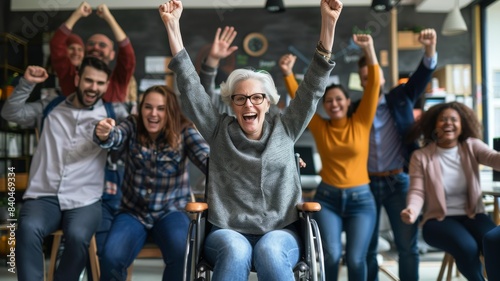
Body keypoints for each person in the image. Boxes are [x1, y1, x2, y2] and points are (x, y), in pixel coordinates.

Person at [159, 0, 342, 280]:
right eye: (240, 98)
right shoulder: (219, 131)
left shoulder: (287, 127)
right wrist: (173, 26)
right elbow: (190, 86)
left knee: (269, 251)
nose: (249, 105)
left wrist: (328, 23)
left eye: (257, 98)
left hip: (281, 232)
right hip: (227, 231)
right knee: (235, 250)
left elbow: (313, 85)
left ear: (268, 103)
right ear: (231, 104)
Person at [1, 57, 125, 281]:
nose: (93, 88)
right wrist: (27, 84)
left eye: (100, 83)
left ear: (106, 85)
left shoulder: (110, 115)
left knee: (78, 237)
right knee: (27, 228)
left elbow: (122, 140)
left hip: (85, 200)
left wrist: (109, 135)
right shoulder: (50, 106)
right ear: (77, 78)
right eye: (88, 80)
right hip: (43, 196)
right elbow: (10, 113)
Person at [280, 33, 381, 281]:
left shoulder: (361, 121)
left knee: (358, 259)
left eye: (338, 99)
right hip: (329, 199)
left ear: (348, 101)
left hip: (362, 200)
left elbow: (374, 85)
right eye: (328, 101)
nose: (333, 104)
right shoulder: (320, 126)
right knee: (331, 255)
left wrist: (369, 51)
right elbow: (301, 101)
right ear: (323, 106)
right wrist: (287, 74)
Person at [94, 85, 209, 281]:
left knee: (183, 253)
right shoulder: (132, 124)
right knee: (111, 257)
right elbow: (115, 137)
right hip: (133, 213)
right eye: (148, 107)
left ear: (170, 111)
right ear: (141, 109)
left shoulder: (184, 131)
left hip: (171, 211)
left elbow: (209, 161)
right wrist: (104, 134)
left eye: (161, 108)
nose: (153, 114)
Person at [360, 28, 437, 281]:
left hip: (399, 181)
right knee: (367, 247)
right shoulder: (354, 110)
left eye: (372, 75)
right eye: (364, 78)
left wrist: (429, 48)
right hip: (366, 184)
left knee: (407, 247)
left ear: (380, 77)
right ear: (361, 83)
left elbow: (423, 75)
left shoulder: (401, 97)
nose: (369, 80)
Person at [401, 101, 500, 281]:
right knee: (467, 247)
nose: (448, 123)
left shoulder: (471, 146)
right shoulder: (421, 156)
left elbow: (493, 158)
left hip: (473, 215)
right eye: (443, 120)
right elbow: (417, 191)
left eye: (454, 119)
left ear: (462, 126)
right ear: (434, 126)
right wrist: (412, 210)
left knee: (495, 242)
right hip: (438, 220)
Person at [50, 1, 136, 102]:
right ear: (78, 81)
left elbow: (128, 56)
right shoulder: (71, 78)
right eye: (90, 44)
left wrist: (109, 18)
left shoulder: (118, 81)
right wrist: (76, 15)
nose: (95, 47)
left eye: (102, 45)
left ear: (112, 55)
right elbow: (56, 45)